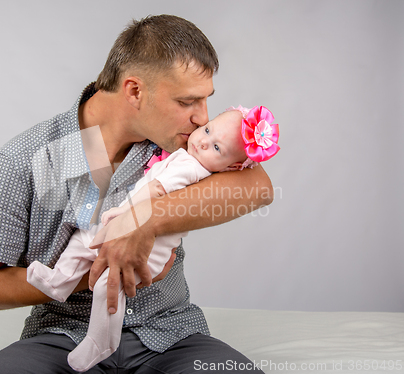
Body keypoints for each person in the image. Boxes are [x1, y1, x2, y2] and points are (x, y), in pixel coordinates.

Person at [0, 14, 273, 373]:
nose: (203, 117)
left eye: (205, 100)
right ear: (135, 90)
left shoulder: (182, 145)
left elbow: (259, 187)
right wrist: (101, 272)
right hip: (63, 337)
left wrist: (143, 222)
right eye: (187, 102)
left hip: (170, 335)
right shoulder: (24, 161)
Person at [27, 105, 280, 372]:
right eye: (207, 130)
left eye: (217, 148)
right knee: (83, 239)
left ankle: (101, 340)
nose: (203, 140)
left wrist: (122, 212)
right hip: (123, 227)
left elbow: (154, 192)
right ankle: (59, 281)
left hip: (149, 252)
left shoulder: (195, 171)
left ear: (232, 167)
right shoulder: (183, 154)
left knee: (108, 284)